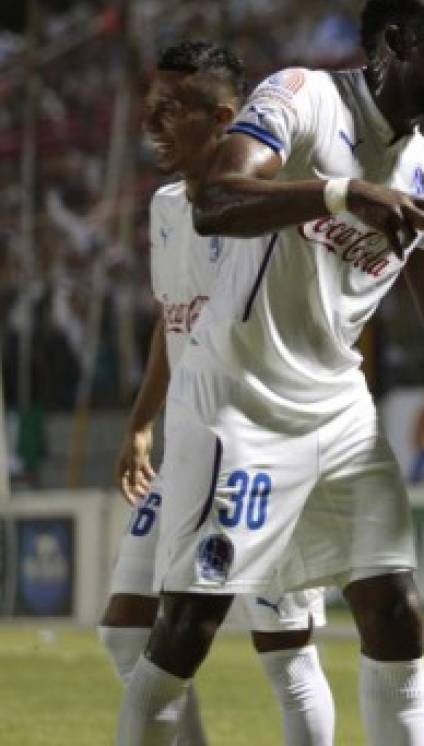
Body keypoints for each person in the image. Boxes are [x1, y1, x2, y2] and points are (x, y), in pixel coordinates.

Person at [116, 0, 424, 746]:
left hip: (337, 407)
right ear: (396, 44)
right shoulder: (304, 96)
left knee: (396, 613)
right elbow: (215, 200)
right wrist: (341, 194)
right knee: (189, 625)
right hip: (240, 400)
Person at [100, 39, 335, 746]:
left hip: (271, 448)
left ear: (224, 116)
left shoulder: (279, 207)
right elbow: (173, 319)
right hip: (188, 449)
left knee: (287, 656)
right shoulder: (168, 207)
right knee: (127, 631)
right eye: (151, 107)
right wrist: (142, 424)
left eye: (172, 109)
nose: (153, 123)